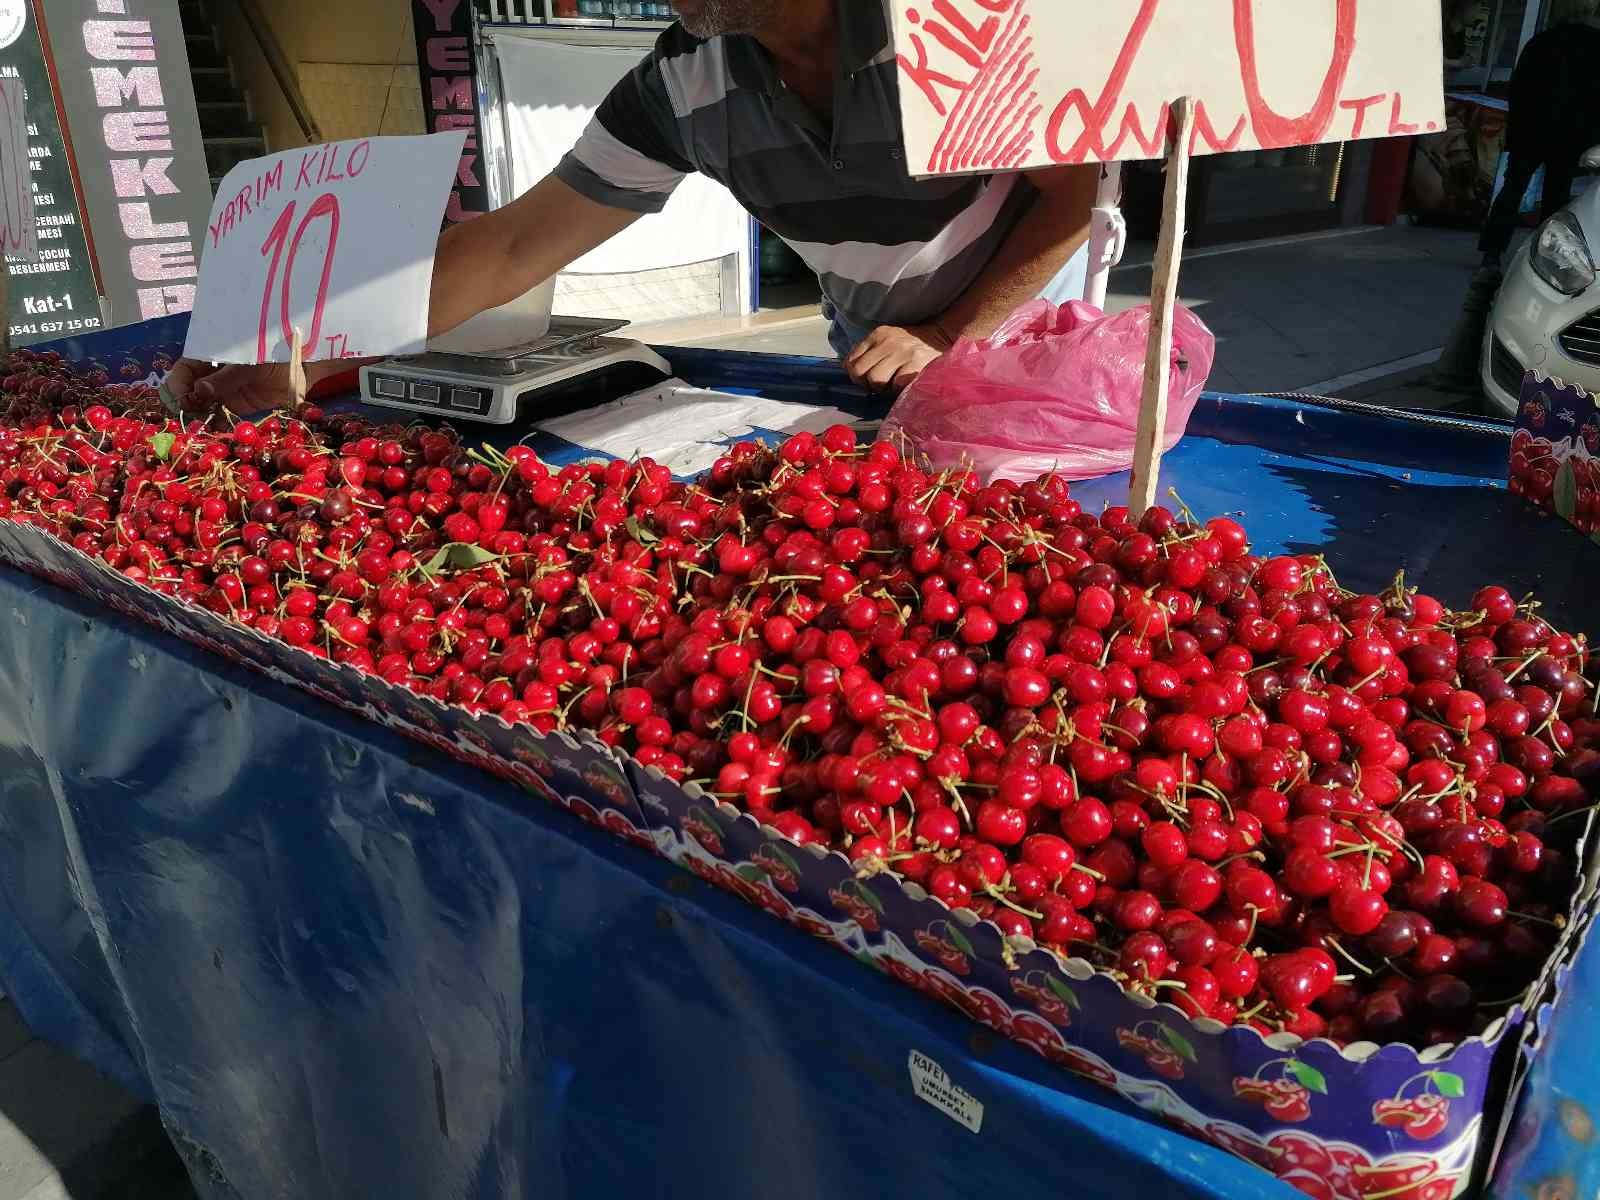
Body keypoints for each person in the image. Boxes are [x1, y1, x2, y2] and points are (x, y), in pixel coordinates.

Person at [168, 0, 1097, 414]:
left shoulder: (955, 28)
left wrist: (949, 335)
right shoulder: (680, 85)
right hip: (872, 359)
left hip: (1032, 342)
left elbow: (1079, 193)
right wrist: (297, 345)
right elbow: (508, 248)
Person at [1477, 7, 1600, 265]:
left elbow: (1518, 89)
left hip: (1531, 131)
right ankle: (1545, 259)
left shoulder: (1540, 42)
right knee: (1556, 197)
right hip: (1570, 136)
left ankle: (1492, 251)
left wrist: (1515, 131)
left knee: (1513, 189)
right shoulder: (1594, 47)